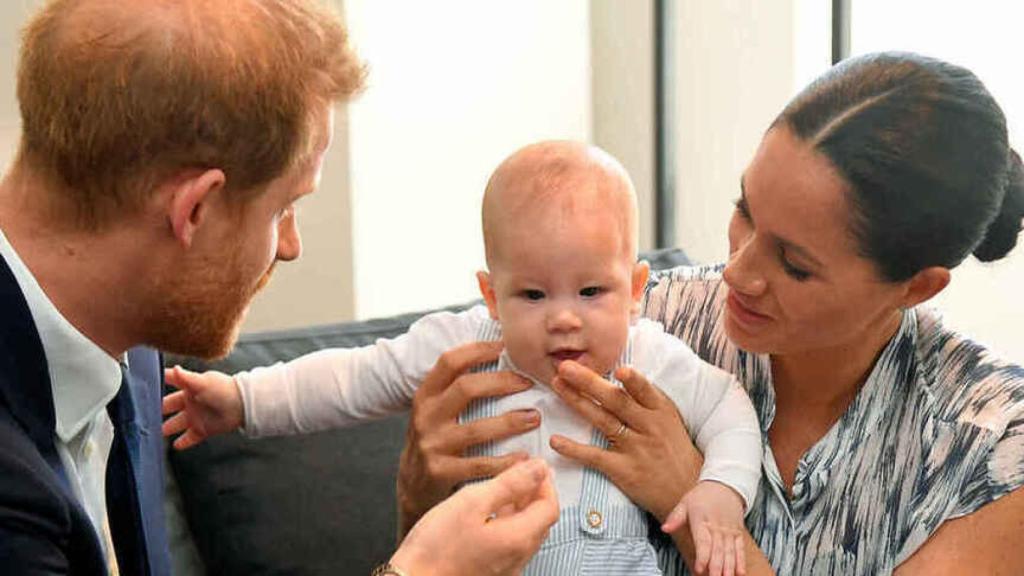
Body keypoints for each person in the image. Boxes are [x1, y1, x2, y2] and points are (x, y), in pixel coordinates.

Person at [396, 52, 1024, 575]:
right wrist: (422, 491)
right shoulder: (644, 319)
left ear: (916, 287)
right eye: (744, 210)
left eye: (794, 264)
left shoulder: (991, 449)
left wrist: (686, 493)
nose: (738, 272)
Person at [0, 1, 556, 575]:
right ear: (196, 210)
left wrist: (419, 517)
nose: (291, 246)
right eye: (285, 207)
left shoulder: (130, 337)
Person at [162, 140, 763, 575]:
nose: (563, 317)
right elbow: (353, 377)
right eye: (532, 294)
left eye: (591, 292)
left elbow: (729, 410)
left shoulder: (649, 355)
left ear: (635, 290)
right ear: (490, 295)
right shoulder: (464, 345)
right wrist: (242, 400)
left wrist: (718, 493)